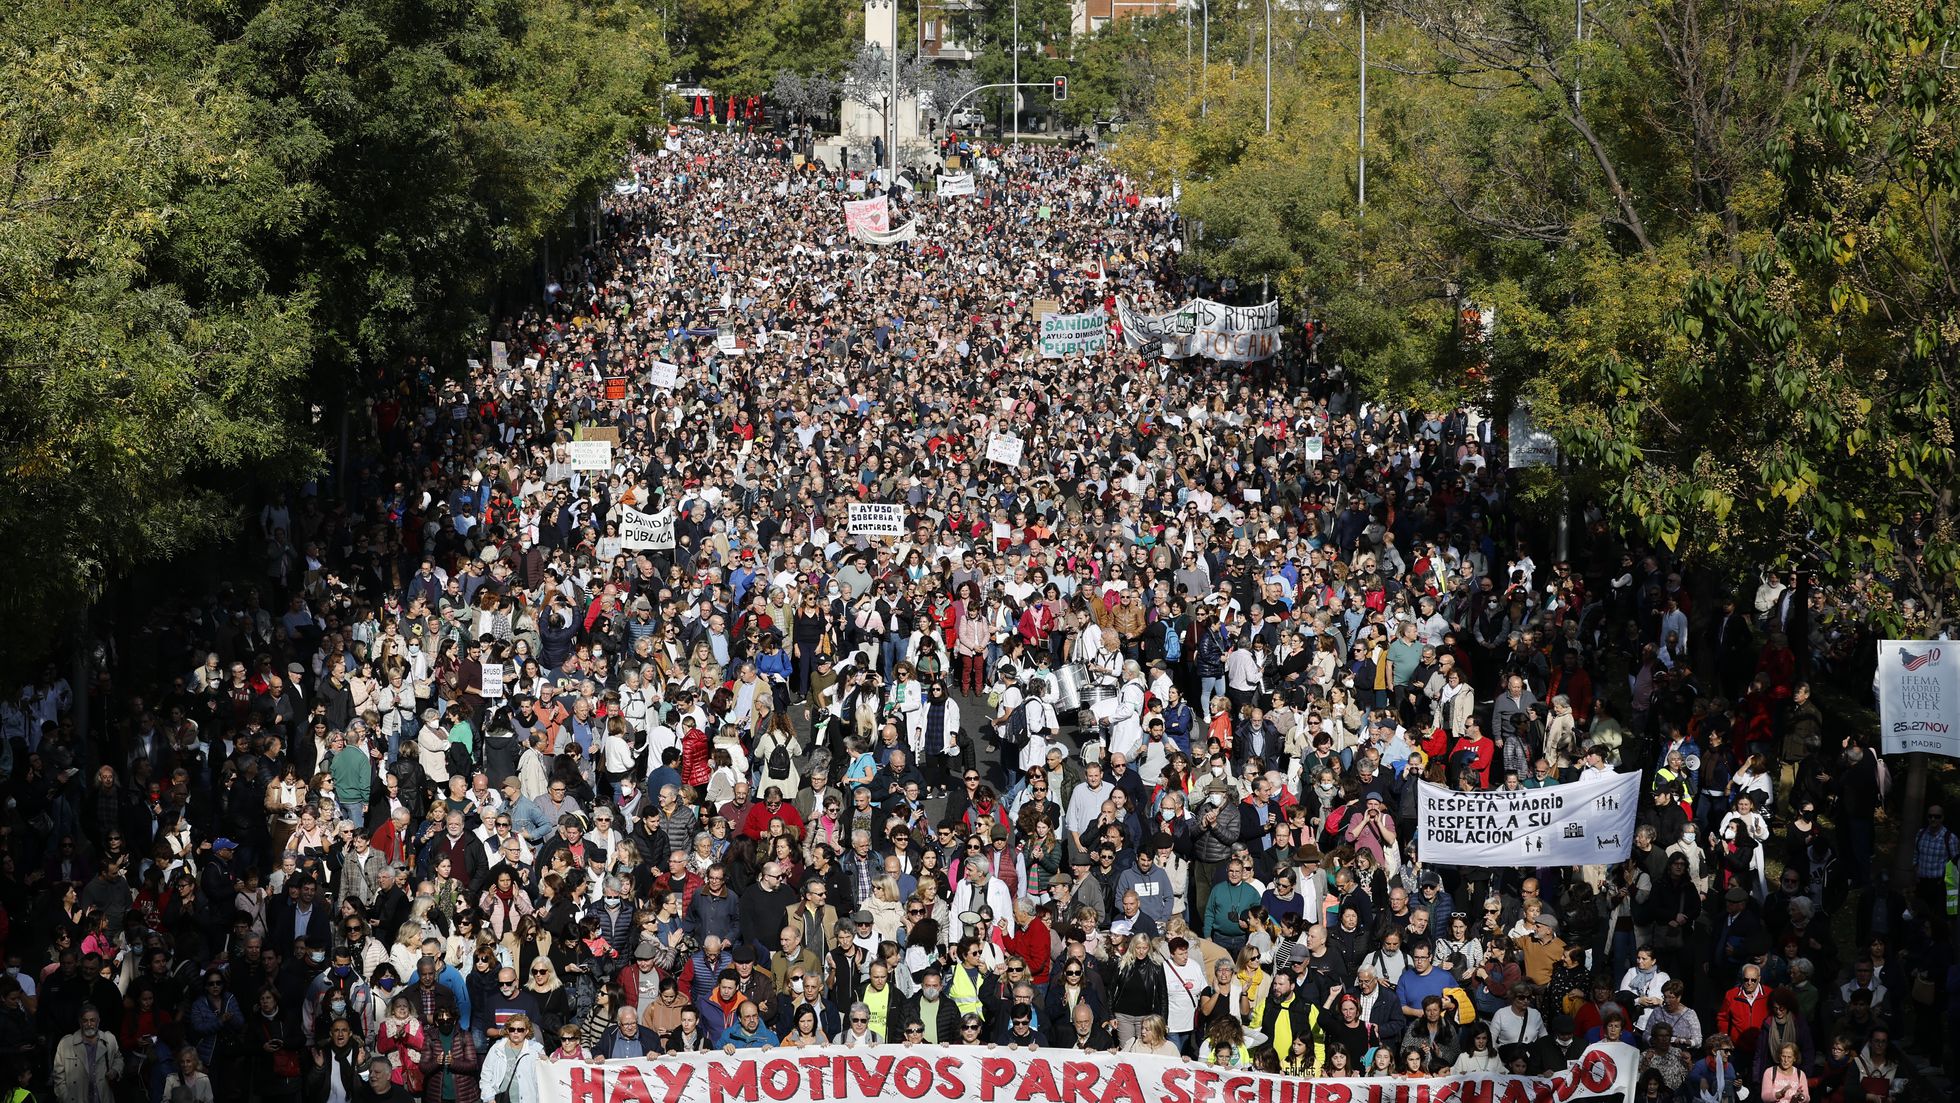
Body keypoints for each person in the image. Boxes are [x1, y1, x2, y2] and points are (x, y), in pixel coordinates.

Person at [50, 1006, 122, 1103]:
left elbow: (118, 1058)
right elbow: (58, 1076)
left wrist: (115, 1071)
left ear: (98, 1021)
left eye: (92, 1020)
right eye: (85, 1021)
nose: (89, 1024)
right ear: (80, 1022)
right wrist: (65, 1098)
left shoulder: (109, 1039)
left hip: (102, 1098)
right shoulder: (66, 1043)